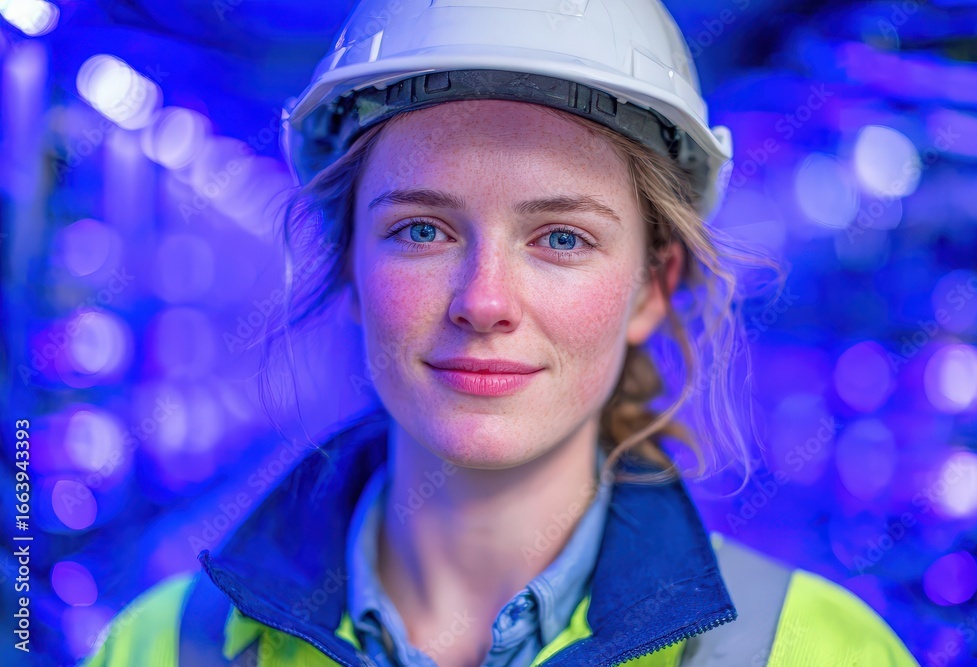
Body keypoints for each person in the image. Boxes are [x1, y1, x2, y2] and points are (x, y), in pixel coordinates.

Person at [80, 1, 921, 665]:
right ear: (350, 271)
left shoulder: (818, 652)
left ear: (651, 287)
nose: (483, 301)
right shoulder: (158, 649)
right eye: (422, 230)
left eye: (562, 237)